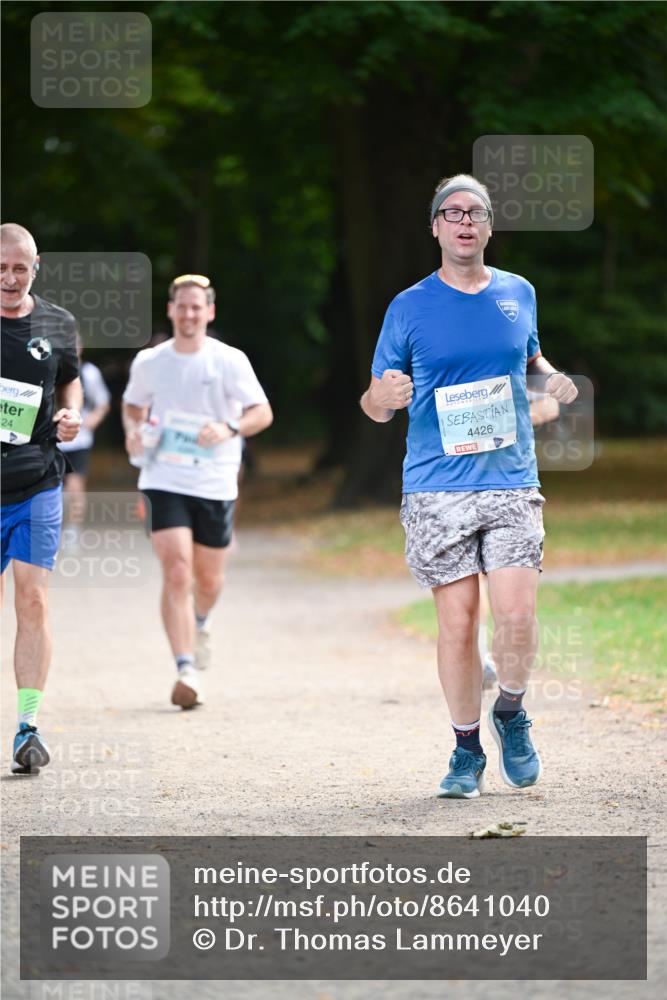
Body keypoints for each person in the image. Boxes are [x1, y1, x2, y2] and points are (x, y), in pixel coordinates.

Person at [361, 175, 577, 799]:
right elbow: (374, 404)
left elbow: (531, 357)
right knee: (458, 626)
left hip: (510, 479)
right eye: (450, 213)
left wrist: (551, 378)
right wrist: (381, 396)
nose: (463, 222)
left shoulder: (519, 293)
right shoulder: (408, 306)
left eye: (474, 212)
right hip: (435, 487)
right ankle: (464, 751)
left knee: (515, 617)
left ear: (488, 225)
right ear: (434, 227)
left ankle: (509, 709)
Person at [122, 274, 273, 709]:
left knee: (208, 579)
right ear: (170, 311)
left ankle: (200, 619)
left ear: (209, 312)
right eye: (181, 307)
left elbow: (261, 412)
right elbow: (133, 405)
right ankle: (184, 668)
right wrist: (134, 431)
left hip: (215, 480)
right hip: (162, 478)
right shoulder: (150, 362)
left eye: (196, 307)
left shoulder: (229, 361)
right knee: (177, 570)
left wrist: (228, 428)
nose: (188, 315)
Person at [1, 223, 82, 775]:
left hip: (37, 480)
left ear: (37, 266)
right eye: (1, 268)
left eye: (19, 268)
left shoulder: (57, 323)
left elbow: (70, 380)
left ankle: (28, 728)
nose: (9, 278)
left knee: (33, 601)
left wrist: (70, 413)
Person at [58, 340, 111, 550]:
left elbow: (103, 402)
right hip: (52, 441)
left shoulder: (89, 373)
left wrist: (91, 421)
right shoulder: (52, 368)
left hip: (79, 440)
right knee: (52, 489)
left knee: (76, 486)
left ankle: (73, 531)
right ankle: (55, 530)